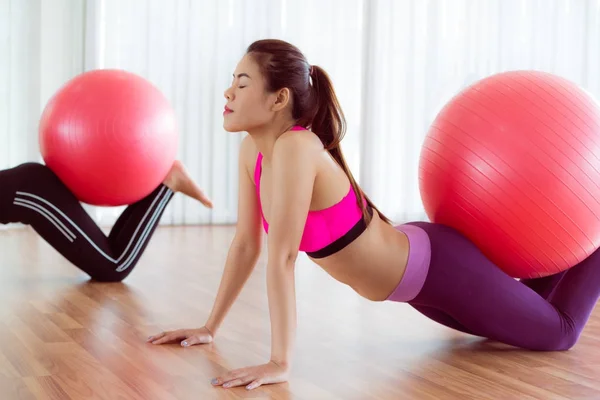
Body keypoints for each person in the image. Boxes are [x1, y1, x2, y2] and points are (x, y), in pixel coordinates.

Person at [147, 39, 600, 391]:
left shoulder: (297, 146)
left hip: (441, 270)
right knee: (524, 324)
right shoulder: (253, 151)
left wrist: (280, 362)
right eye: (233, 79)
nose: (228, 90)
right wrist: (210, 327)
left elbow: (283, 258)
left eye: (242, 82)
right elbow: (247, 244)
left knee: (558, 333)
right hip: (416, 288)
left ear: (278, 98)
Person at [0, 160, 212, 281]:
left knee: (115, 267)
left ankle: (169, 182)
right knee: (110, 255)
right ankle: (163, 183)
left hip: (29, 195)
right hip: (27, 189)